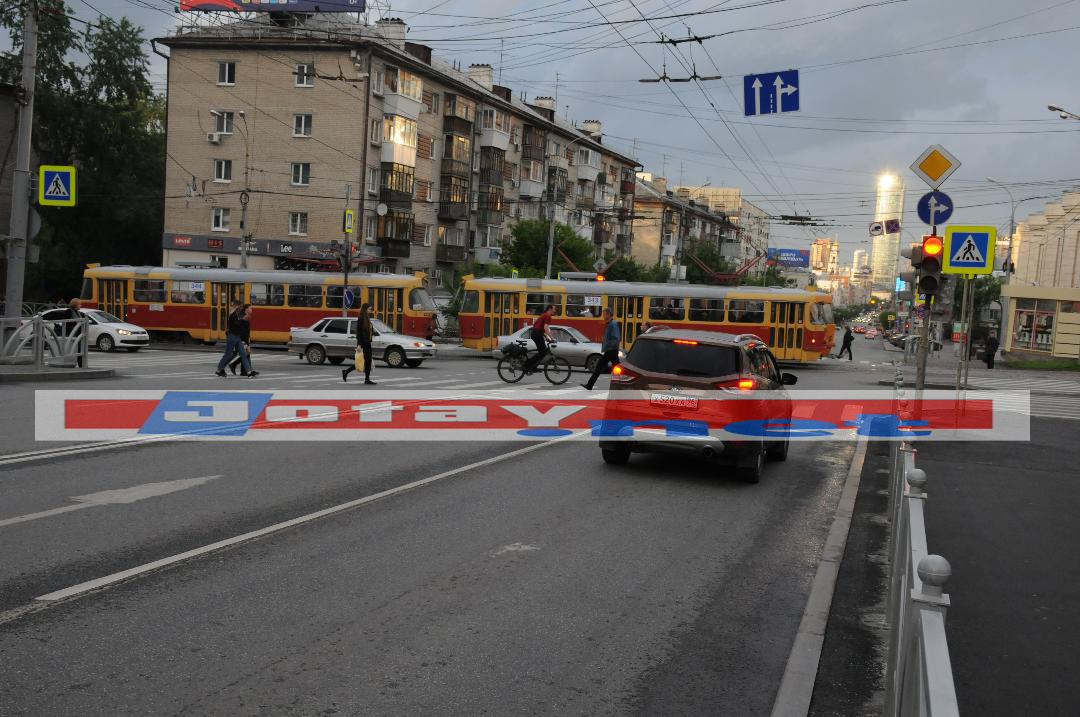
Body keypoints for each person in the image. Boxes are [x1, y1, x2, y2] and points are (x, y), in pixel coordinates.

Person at [581, 308, 621, 390]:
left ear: (609, 314)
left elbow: (616, 338)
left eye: (604, 314)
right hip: (611, 350)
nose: (603, 316)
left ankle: (590, 385)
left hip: (611, 350)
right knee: (616, 367)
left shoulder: (612, 324)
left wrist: (608, 345)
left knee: (599, 367)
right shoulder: (609, 323)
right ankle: (619, 385)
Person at [215, 304, 256, 377]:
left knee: (244, 355)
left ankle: (249, 372)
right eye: (239, 307)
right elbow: (236, 325)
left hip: (238, 337)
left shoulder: (238, 315)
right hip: (232, 337)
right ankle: (219, 370)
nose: (240, 308)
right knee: (228, 354)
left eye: (240, 307)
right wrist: (243, 319)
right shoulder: (233, 315)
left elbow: (240, 327)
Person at [342, 303, 375, 384]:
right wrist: (359, 345)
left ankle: (366, 379)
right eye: (369, 309)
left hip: (368, 343)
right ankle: (346, 372)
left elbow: (369, 330)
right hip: (363, 344)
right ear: (365, 309)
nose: (370, 311)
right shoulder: (361, 319)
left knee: (368, 361)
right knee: (361, 362)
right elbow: (359, 333)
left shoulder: (367, 318)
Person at [521, 303, 556, 374]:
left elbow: (540, 328)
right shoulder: (548, 316)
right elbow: (545, 328)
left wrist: (547, 338)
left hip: (536, 333)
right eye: (554, 309)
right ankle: (528, 365)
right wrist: (552, 338)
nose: (555, 311)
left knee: (542, 352)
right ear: (550, 309)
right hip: (537, 334)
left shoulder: (544, 315)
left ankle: (532, 366)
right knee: (543, 352)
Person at [228, 308, 254, 375]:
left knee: (245, 354)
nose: (250, 316)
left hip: (243, 340)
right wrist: (243, 341)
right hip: (241, 340)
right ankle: (234, 365)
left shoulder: (245, 320)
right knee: (245, 354)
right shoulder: (242, 320)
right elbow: (241, 331)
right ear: (246, 310)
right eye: (250, 308)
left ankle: (244, 371)